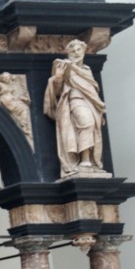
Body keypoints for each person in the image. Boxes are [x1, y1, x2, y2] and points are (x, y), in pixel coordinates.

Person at [44, 38, 107, 178]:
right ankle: (84, 160)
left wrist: (98, 106)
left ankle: (89, 160)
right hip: (74, 99)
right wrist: (58, 78)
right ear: (68, 53)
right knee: (87, 124)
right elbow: (57, 91)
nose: (76, 53)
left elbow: (92, 88)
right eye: (73, 51)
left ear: (84, 51)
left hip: (91, 103)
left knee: (92, 127)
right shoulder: (63, 65)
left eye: (79, 50)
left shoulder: (87, 69)